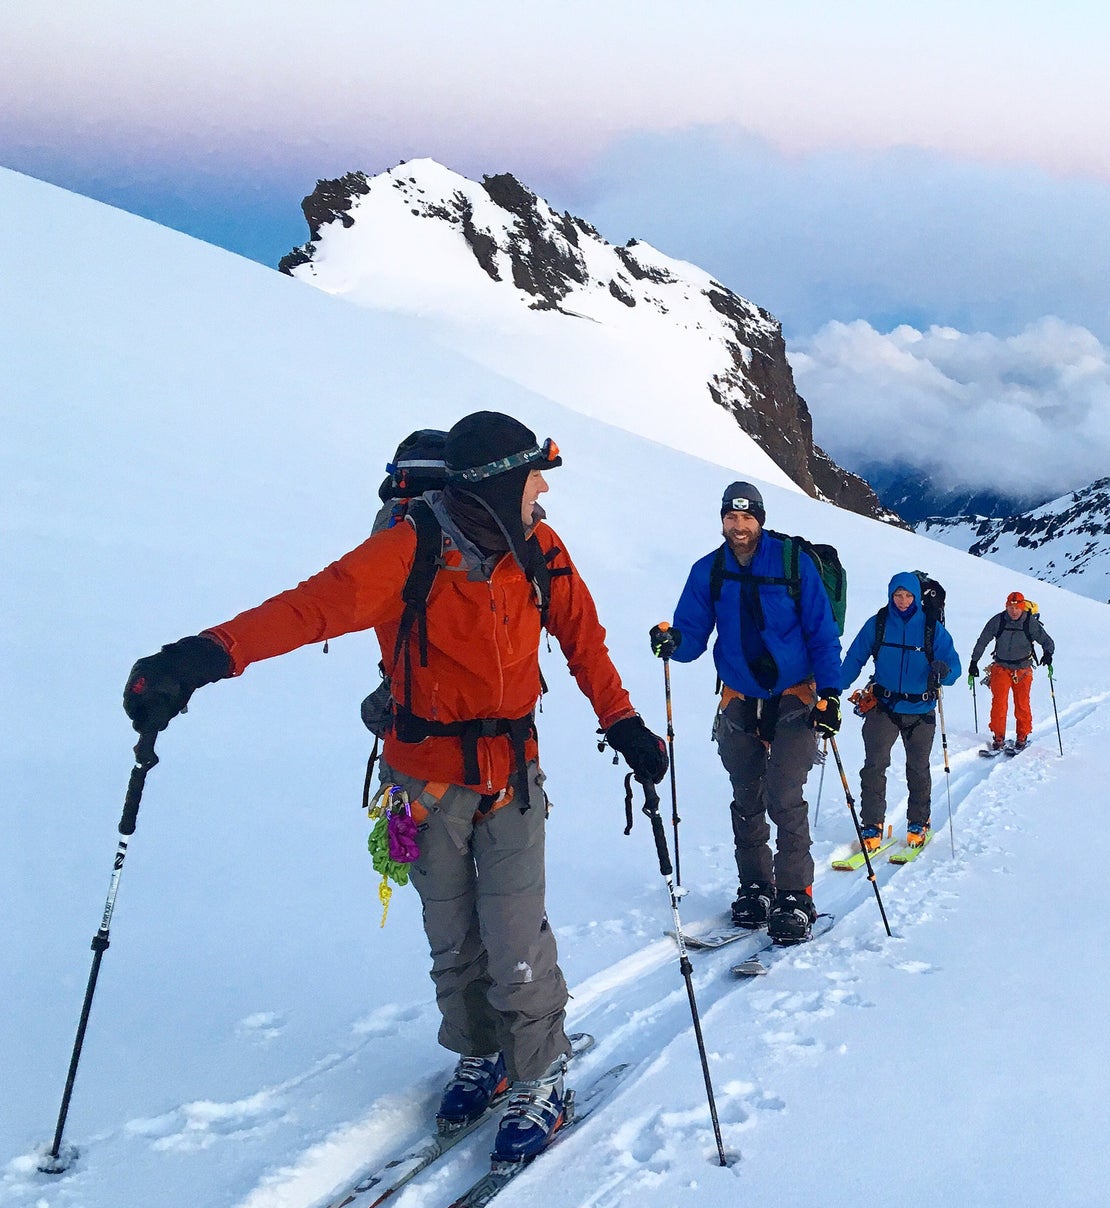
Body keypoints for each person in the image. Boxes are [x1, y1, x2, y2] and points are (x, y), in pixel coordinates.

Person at [122, 411, 668, 1160]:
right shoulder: (409, 549)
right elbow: (309, 608)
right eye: (536, 474)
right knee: (451, 937)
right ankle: (482, 1052)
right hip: (421, 781)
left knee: (514, 939)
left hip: (511, 777)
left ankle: (540, 1073)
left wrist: (623, 721)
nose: (545, 488)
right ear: (500, 483)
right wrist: (202, 656)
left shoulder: (539, 546)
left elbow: (582, 638)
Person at [650, 482, 843, 944]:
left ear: (760, 518)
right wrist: (674, 642)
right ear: (722, 520)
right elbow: (694, 635)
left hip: (795, 696)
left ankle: (795, 894)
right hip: (739, 698)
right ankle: (756, 887)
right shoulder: (709, 571)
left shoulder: (793, 563)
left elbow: (822, 634)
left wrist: (831, 694)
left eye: (747, 518)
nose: (739, 527)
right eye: (731, 519)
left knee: (784, 795)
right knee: (746, 796)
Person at [840, 572, 960, 853]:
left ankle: (918, 821)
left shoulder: (932, 629)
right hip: (884, 707)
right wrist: (833, 688)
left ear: (917, 597)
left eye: (908, 595)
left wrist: (945, 670)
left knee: (917, 769)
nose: (903, 601)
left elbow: (954, 666)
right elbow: (854, 658)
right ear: (890, 595)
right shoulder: (878, 624)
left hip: (921, 709)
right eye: (898, 595)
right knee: (874, 766)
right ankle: (872, 823)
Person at [969, 590, 1055, 753]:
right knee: (999, 705)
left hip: (1023, 669)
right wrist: (974, 661)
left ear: (1022, 607)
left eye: (1017, 607)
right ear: (1006, 606)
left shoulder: (1030, 622)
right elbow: (983, 640)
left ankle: (1022, 737)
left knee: (1022, 704)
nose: (1014, 611)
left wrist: (1048, 654)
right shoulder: (998, 620)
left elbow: (1046, 640)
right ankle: (998, 738)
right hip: (1001, 668)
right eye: (1010, 607)